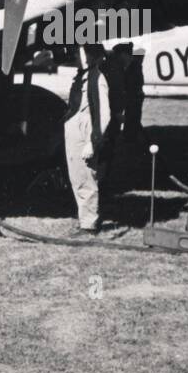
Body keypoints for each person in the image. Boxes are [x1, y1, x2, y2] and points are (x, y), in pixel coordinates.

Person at [64, 44, 113, 235]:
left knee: (86, 177)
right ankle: (85, 218)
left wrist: (93, 142)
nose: (74, 56)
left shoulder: (97, 79)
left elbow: (104, 114)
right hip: (74, 130)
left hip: (85, 132)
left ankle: (89, 225)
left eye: (79, 52)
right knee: (77, 177)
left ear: (89, 56)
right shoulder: (81, 78)